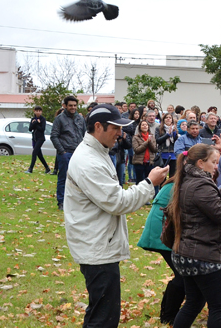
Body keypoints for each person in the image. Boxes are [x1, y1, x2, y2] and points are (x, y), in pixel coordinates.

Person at [64, 104, 168, 328]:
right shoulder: (88, 161)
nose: (121, 134)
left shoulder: (97, 152)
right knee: (103, 318)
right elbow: (118, 202)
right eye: (116, 128)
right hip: (96, 248)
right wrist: (150, 183)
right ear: (98, 127)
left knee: (102, 312)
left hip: (99, 244)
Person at [168, 144, 221, 328]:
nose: (217, 166)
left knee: (193, 303)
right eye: (214, 162)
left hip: (188, 253)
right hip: (204, 256)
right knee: (219, 307)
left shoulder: (190, 179)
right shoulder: (201, 184)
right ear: (200, 163)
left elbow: (212, 202)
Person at [137, 153, 188, 324]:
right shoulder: (179, 184)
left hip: (167, 230)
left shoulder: (182, 181)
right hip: (162, 232)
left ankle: (168, 314)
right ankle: (168, 316)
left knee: (182, 275)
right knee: (182, 276)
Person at [51, 95, 86, 211]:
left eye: (75, 105)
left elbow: (85, 134)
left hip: (79, 153)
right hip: (66, 153)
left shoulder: (80, 119)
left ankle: (77, 201)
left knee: (80, 178)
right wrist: (62, 151)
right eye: (70, 105)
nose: (73, 108)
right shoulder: (59, 119)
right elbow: (54, 136)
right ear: (65, 106)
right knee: (63, 177)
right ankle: (61, 201)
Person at [26, 105, 51, 174]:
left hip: (40, 138)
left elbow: (42, 129)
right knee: (39, 154)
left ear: (41, 112)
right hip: (34, 138)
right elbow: (30, 129)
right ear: (34, 111)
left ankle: (30, 169)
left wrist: (36, 124)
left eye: (39, 111)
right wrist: (36, 123)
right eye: (37, 111)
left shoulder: (43, 119)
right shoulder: (33, 119)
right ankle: (47, 168)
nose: (38, 112)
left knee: (34, 152)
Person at [133, 120, 158, 186]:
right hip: (139, 162)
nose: (145, 126)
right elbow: (137, 150)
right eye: (143, 125)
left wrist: (150, 142)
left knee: (149, 181)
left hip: (150, 162)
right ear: (140, 127)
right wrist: (146, 142)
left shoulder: (152, 137)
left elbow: (155, 149)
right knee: (140, 181)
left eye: (146, 125)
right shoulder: (136, 137)